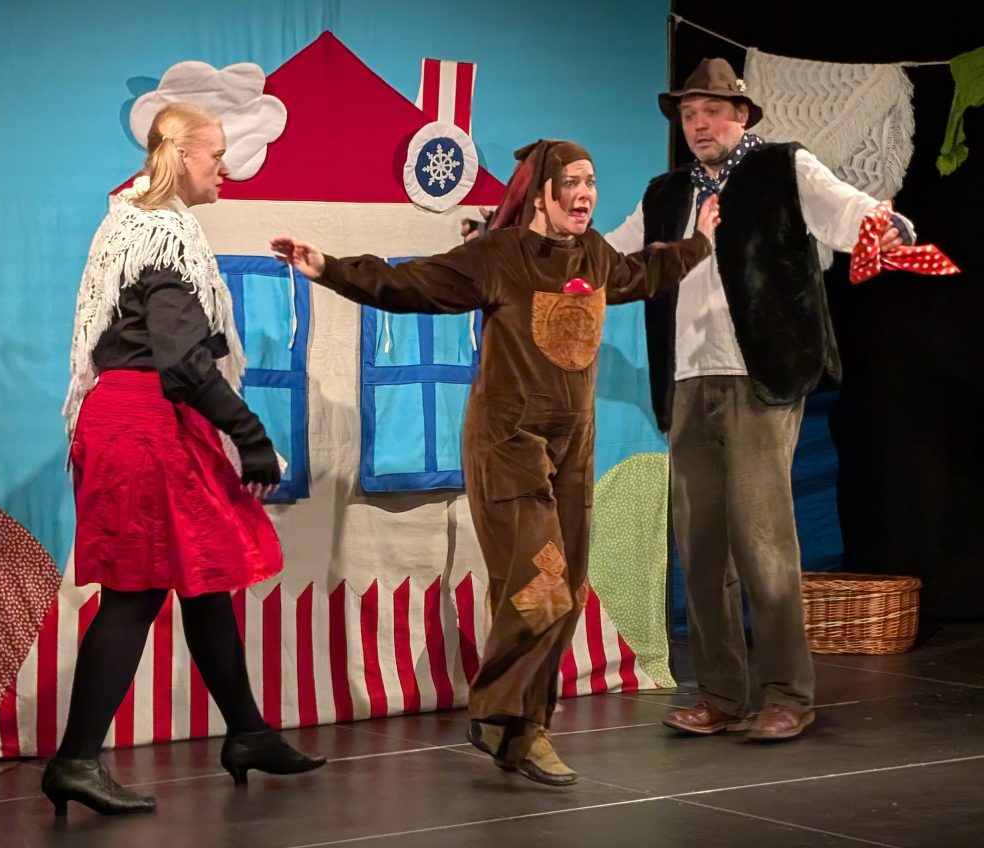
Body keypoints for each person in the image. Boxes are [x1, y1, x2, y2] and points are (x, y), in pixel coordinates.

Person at [271, 140, 718, 786]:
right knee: (541, 586)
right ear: (541, 193)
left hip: (572, 453)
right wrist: (328, 269)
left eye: (592, 181)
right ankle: (498, 713)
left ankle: (522, 729)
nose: (585, 194)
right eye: (572, 182)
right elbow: (411, 284)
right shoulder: (499, 257)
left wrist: (699, 243)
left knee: (566, 594)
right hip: (507, 446)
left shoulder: (593, 256)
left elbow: (644, 272)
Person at [605, 58, 916, 741]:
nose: (699, 125)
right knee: (701, 547)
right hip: (687, 382)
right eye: (689, 115)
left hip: (760, 377)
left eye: (712, 112)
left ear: (741, 115)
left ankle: (786, 695)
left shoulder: (782, 167)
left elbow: (848, 210)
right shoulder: (666, 194)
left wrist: (887, 226)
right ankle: (720, 695)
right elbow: (613, 260)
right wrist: (539, 260)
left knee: (763, 540)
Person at [43, 103, 325, 816]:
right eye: (215, 156)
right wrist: (250, 436)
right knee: (136, 592)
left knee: (200, 580)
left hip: (135, 417)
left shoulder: (132, 222)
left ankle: (248, 733)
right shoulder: (164, 236)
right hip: (143, 424)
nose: (224, 168)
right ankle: (75, 760)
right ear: (181, 157)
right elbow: (182, 364)